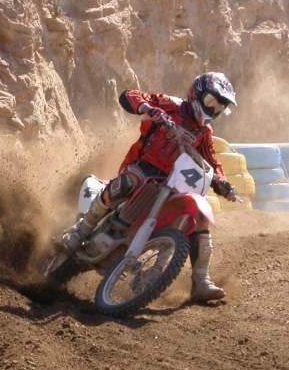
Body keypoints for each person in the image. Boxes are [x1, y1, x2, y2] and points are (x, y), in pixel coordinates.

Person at [63, 72, 238, 301]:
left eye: (219, 106)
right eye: (210, 101)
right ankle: (81, 230)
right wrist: (148, 108)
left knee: (198, 220)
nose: (213, 108)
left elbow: (212, 162)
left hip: (173, 183)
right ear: (197, 93)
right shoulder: (172, 104)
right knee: (130, 181)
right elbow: (130, 95)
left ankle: (201, 281)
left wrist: (223, 182)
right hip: (143, 168)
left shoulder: (204, 132)